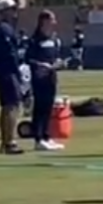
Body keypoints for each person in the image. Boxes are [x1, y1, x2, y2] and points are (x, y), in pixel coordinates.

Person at [22, 10, 64, 151]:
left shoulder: (53, 39)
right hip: (39, 78)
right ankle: (38, 138)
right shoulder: (35, 40)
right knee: (40, 108)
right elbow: (28, 59)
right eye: (52, 19)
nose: (54, 23)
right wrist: (41, 65)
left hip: (51, 77)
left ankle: (46, 136)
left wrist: (58, 63)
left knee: (48, 107)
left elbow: (55, 56)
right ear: (44, 21)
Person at [0, 0, 25, 154]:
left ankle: (5, 141)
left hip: (3, 71)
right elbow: (9, 53)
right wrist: (17, 71)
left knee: (7, 106)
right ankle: (10, 141)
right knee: (12, 105)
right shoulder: (4, 29)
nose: (15, 13)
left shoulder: (5, 28)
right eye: (12, 9)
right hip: (7, 71)